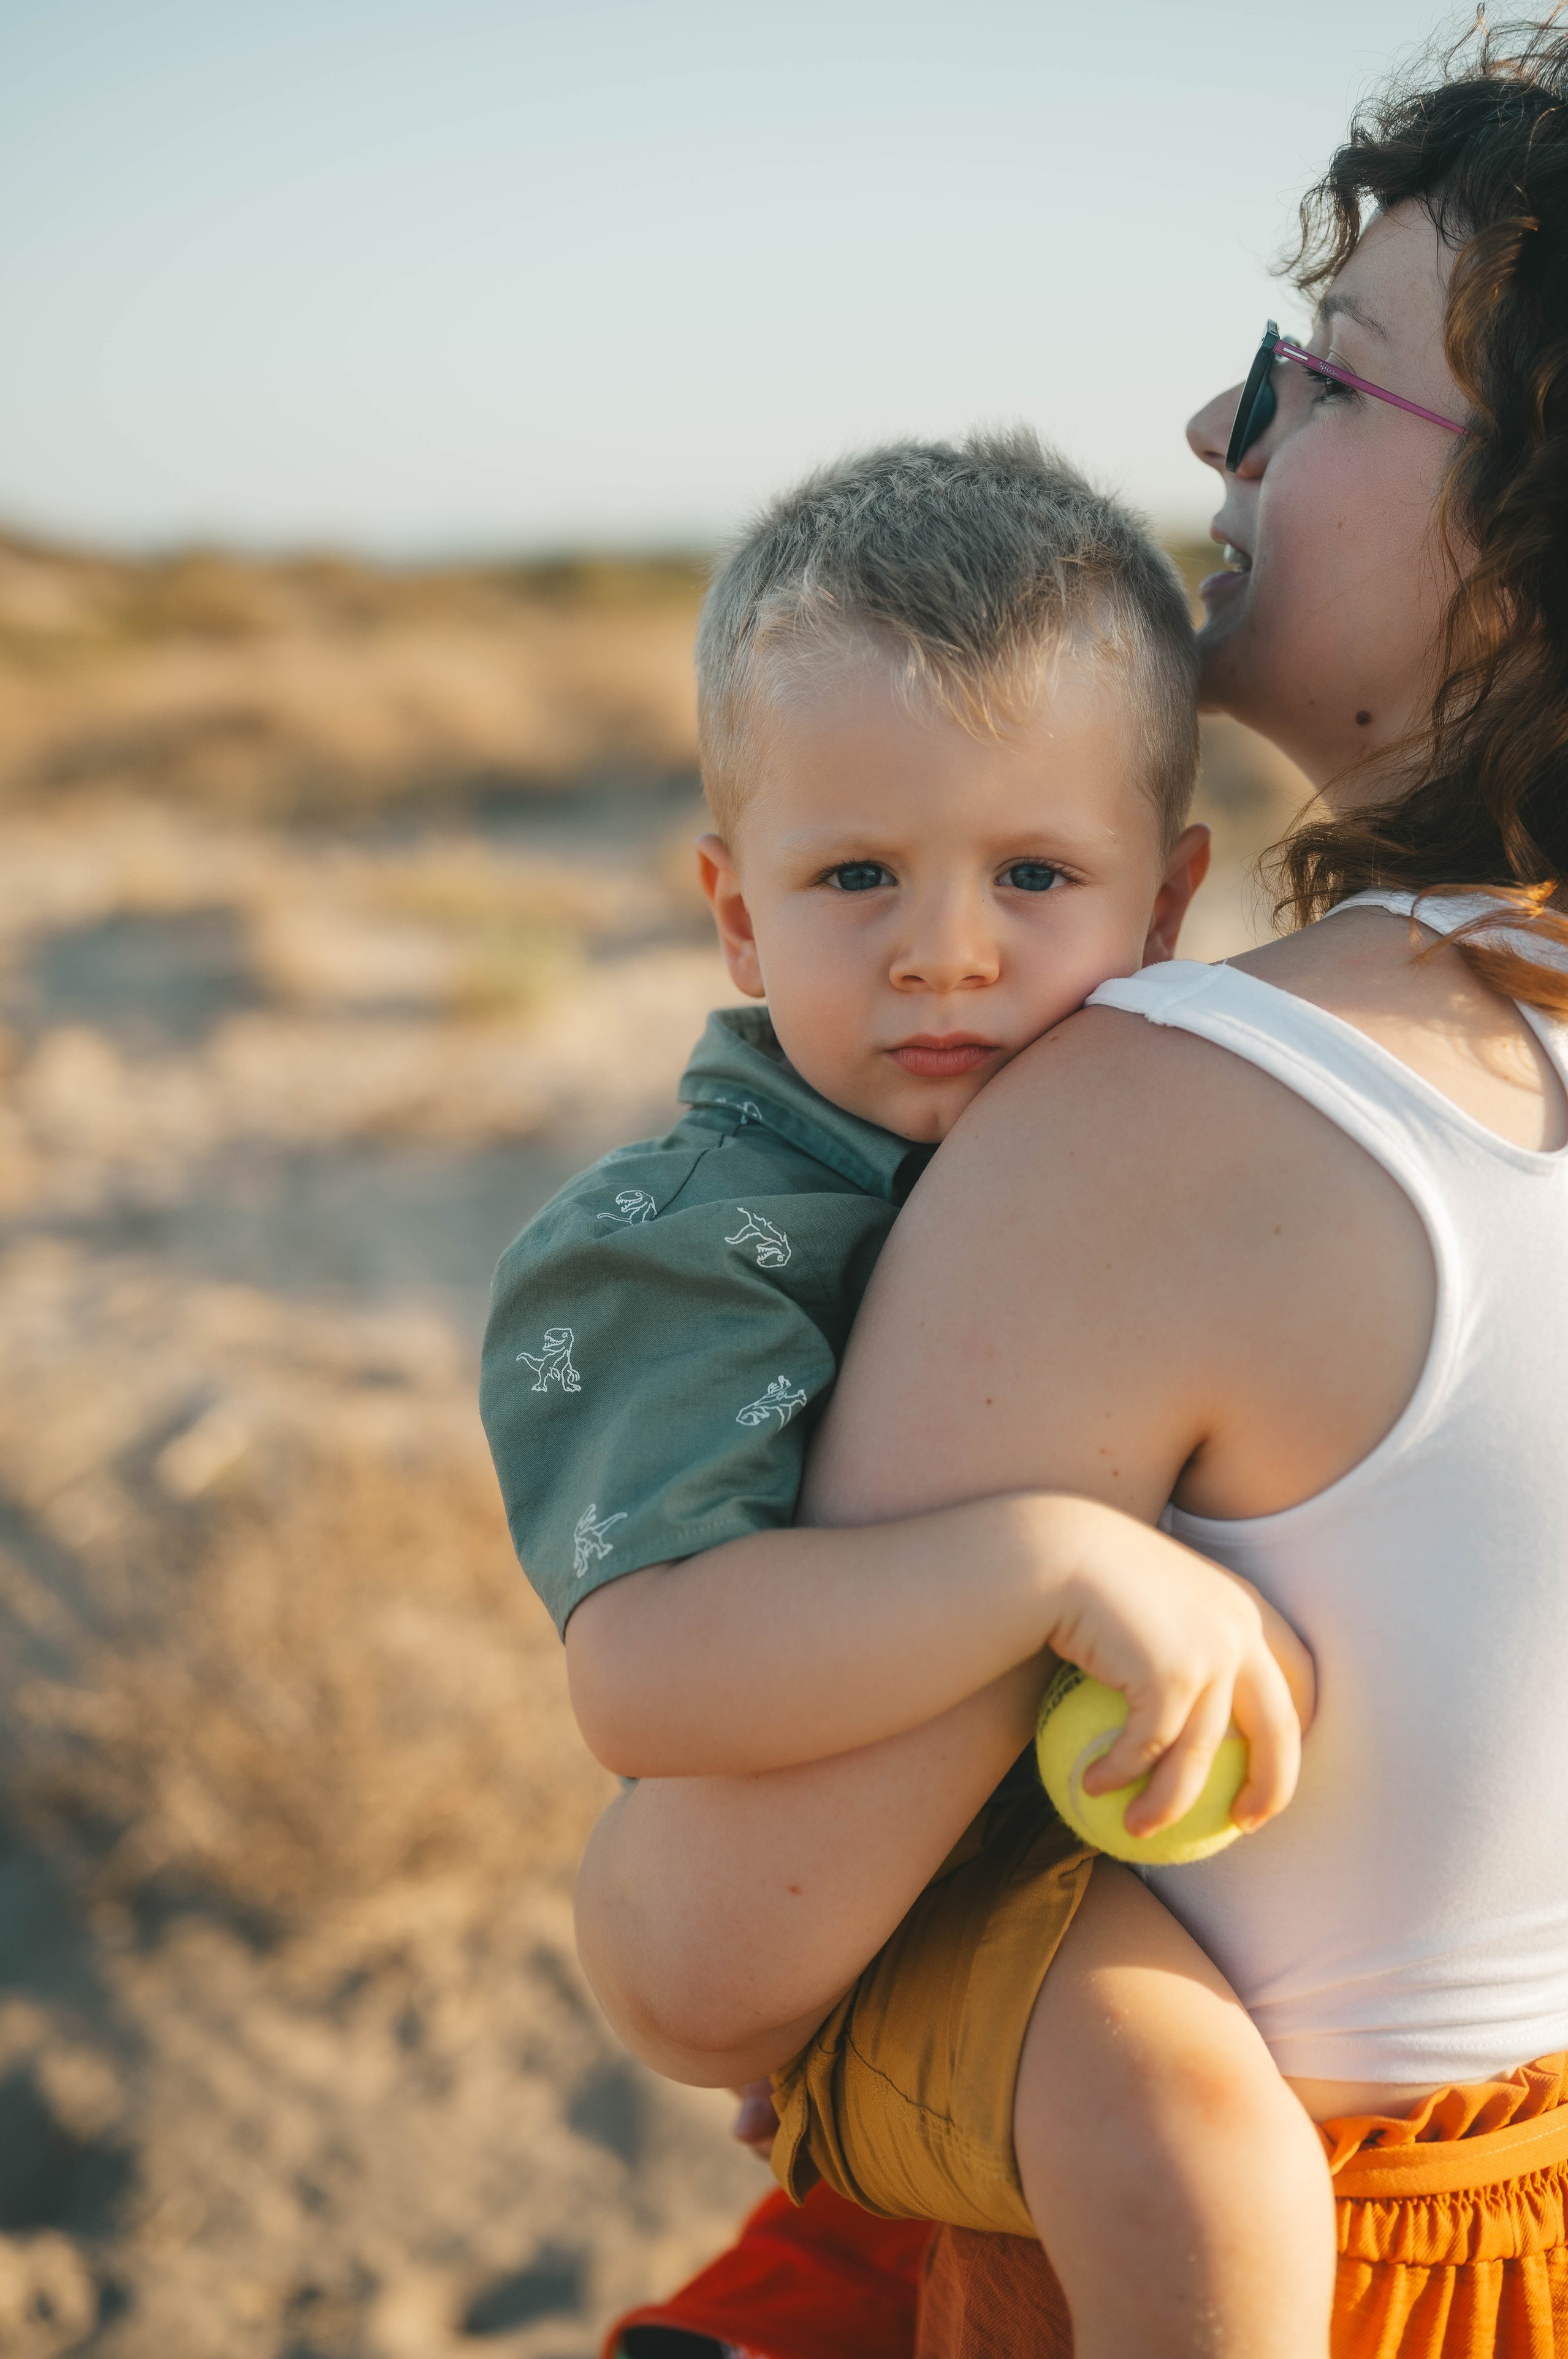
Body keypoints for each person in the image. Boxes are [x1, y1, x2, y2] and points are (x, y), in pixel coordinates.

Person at [576, 18, 1568, 2358]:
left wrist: (889, 2012)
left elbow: (707, 1962)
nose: (1225, 426)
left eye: (1326, 375)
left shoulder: (1188, 1115)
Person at [481, 436, 1333, 2353]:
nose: (946, 949)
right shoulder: (687, 1247)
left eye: (1035, 874)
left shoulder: (1173, 1144)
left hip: (1120, 1844)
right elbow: (647, 1670)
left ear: (1172, 896)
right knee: (1197, 2158)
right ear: (736, 913)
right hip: (915, 1886)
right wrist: (1054, 1564)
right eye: (856, 875)